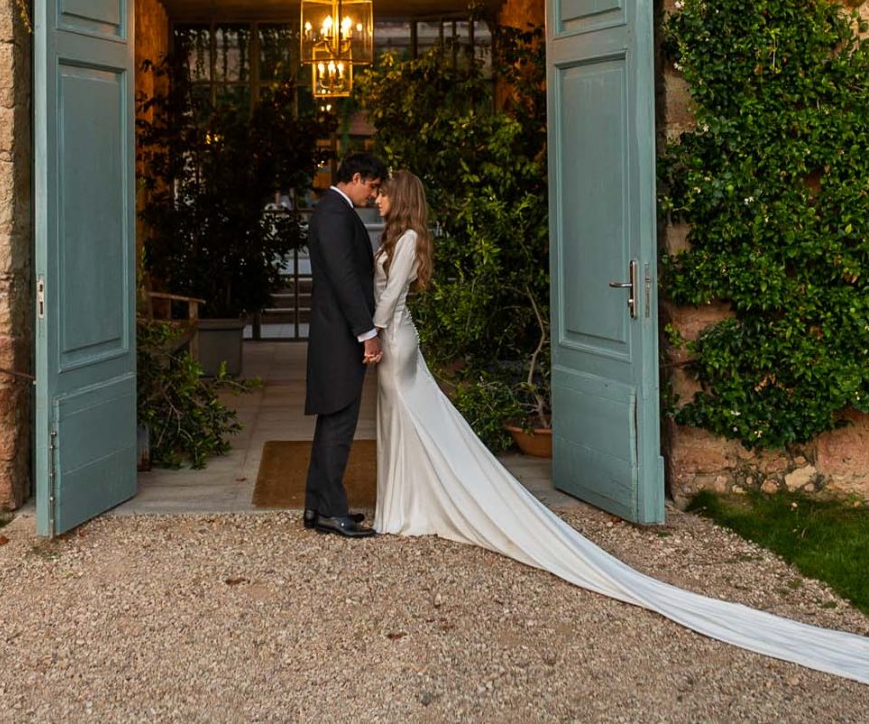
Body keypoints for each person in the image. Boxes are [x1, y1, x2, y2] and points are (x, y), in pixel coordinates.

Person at [371, 169, 869, 686]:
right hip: (393, 338)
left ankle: (411, 505)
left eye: (385, 192)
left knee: (410, 421)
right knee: (405, 424)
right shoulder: (397, 237)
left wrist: (370, 334)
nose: (379, 197)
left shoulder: (407, 239)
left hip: (395, 339)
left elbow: (387, 302)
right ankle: (406, 502)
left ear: (401, 198)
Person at [303, 152, 386, 539]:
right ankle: (331, 511)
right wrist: (366, 331)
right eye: (372, 186)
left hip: (332, 329)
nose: (374, 194)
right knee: (339, 421)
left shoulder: (333, 210)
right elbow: (344, 278)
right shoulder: (335, 214)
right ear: (355, 177)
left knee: (332, 420)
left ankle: (317, 505)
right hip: (339, 333)